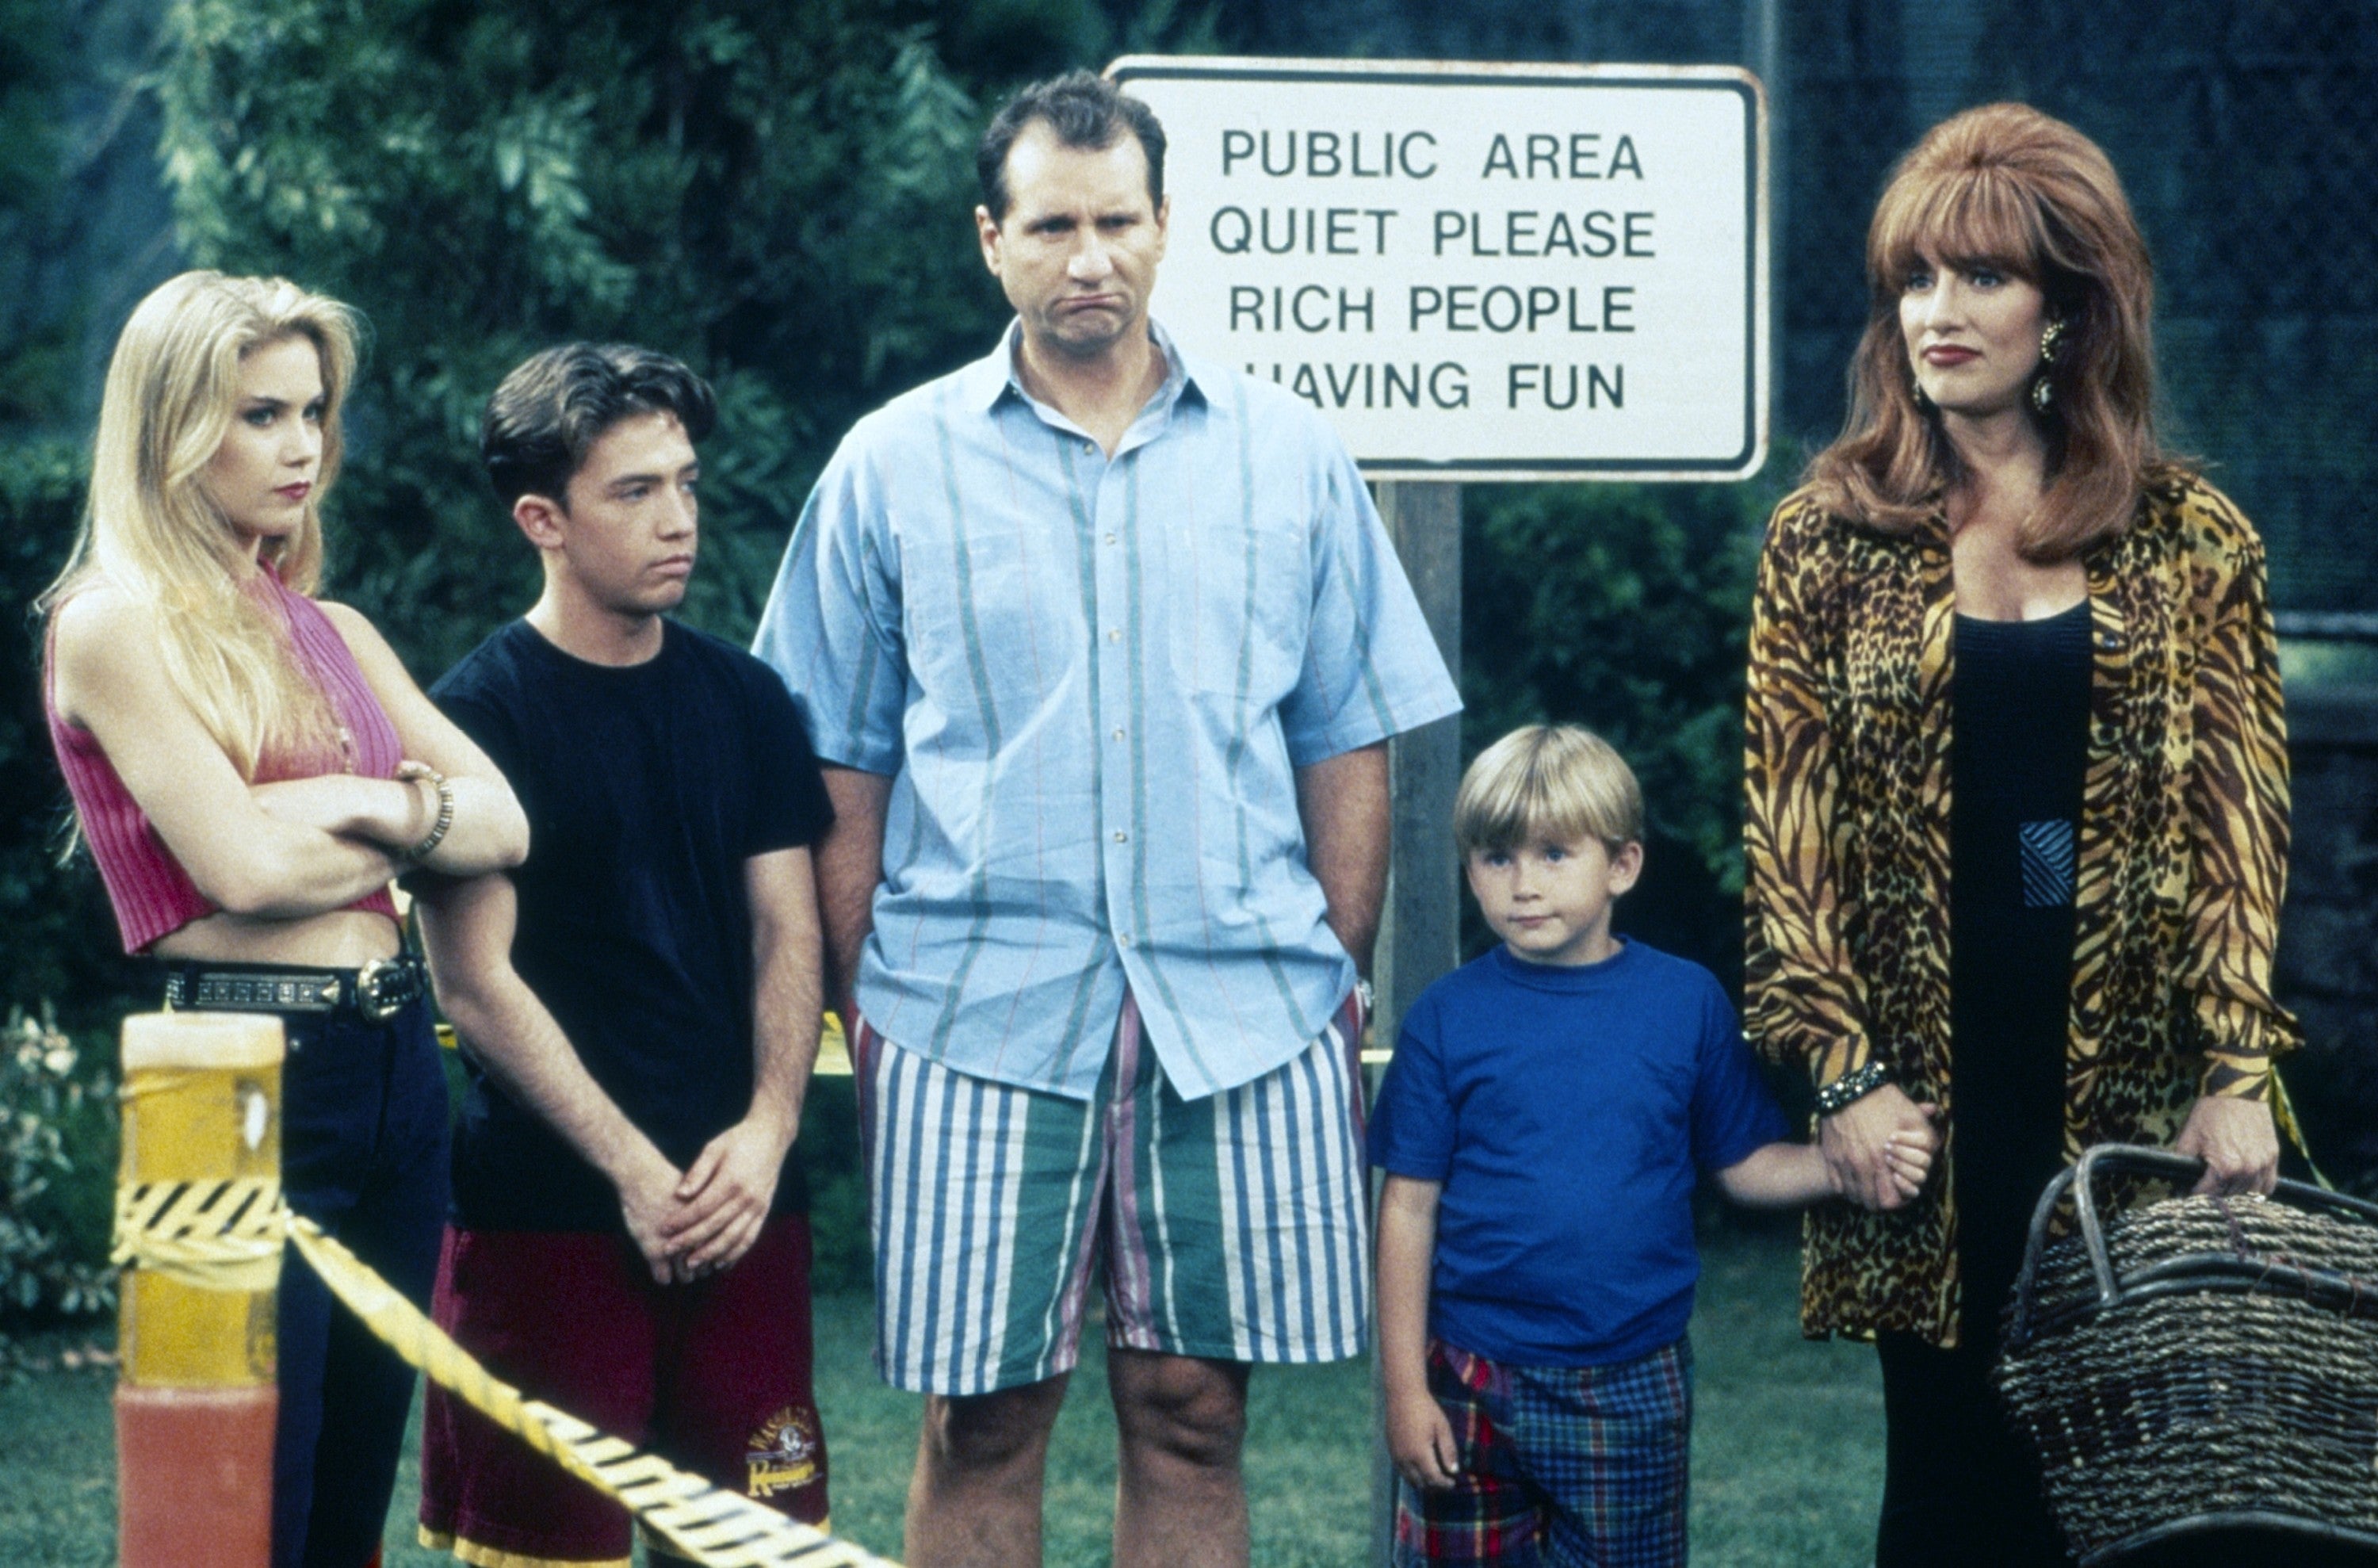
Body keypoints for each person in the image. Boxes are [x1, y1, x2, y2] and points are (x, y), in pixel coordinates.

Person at [754, 69, 1462, 1568]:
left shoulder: (1288, 454)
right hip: (968, 1011)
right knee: (982, 1418)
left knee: (1195, 1408)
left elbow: (1348, 736)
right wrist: (870, 998)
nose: (1092, 258)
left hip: (1243, 1012)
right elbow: (834, 763)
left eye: (1119, 222)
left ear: (1165, 225)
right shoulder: (892, 462)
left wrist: (1326, 970)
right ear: (990, 240)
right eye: (1053, 226)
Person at [1742, 103, 2296, 1566]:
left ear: (2069, 305)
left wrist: (2236, 1072)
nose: (1938, 311)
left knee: (2126, 1491)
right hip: (1917, 1095)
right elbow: (1787, 837)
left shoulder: (2193, 538)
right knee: (1942, 1479)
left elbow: (2241, 827)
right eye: (1915, 278)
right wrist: (1842, 1073)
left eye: (1982, 276)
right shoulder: (1828, 535)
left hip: (2128, 1082)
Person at [38, 270, 530, 1568]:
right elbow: (244, 868)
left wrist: (358, 805)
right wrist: (410, 823)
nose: (302, 444)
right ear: (171, 428)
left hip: (394, 1067)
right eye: (260, 414)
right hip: (236, 1075)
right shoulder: (110, 624)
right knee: (237, 1507)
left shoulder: (337, 630)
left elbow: (507, 824)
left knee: (348, 1506)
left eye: (313, 411)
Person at [410, 344, 837, 1566]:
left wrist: (769, 1128)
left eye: (686, 483)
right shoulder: (473, 716)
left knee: (754, 1550)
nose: (679, 519)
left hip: (743, 1201)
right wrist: (636, 1173)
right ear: (541, 519)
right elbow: (474, 983)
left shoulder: (747, 700)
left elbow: (788, 928)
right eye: (636, 491)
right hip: (548, 1216)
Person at [1371, 725, 1933, 1567]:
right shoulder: (1445, 1018)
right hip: (1469, 1372)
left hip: (1630, 1377)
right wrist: (1405, 1391)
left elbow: (1742, 1165)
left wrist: (1846, 1163)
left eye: (1554, 853)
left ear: (1623, 865)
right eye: (1496, 857)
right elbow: (1408, 1210)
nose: (1523, 884)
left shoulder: (1685, 1002)